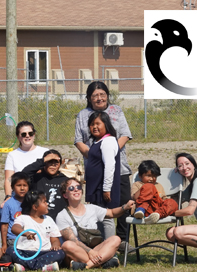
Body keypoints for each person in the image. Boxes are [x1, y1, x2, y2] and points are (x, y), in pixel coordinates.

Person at [75, 81, 133, 245]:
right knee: (98, 207)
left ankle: (122, 241)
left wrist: (111, 151)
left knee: (122, 204)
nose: (99, 98)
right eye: (95, 95)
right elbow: (79, 140)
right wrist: (94, 155)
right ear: (89, 98)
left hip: (119, 168)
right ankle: (101, 241)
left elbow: (125, 135)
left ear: (107, 96)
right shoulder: (83, 115)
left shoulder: (116, 110)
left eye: (102, 94)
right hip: (95, 170)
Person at [57, 178, 134, 270]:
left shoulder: (91, 208)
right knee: (67, 245)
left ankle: (87, 266)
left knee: (116, 239)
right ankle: (104, 261)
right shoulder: (62, 215)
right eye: (71, 188)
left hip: (96, 249)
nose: (76, 189)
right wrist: (90, 252)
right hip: (79, 251)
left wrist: (125, 207)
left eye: (78, 187)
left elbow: (112, 213)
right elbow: (73, 240)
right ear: (65, 195)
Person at [85, 111, 121, 242]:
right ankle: (101, 247)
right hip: (95, 187)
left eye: (98, 124)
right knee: (97, 216)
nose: (94, 127)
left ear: (106, 124)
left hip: (102, 188)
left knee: (106, 218)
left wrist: (106, 188)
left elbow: (110, 166)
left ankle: (110, 248)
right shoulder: (97, 141)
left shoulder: (108, 141)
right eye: (91, 124)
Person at [9, 191, 64, 272]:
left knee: (60, 253)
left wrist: (55, 245)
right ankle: (43, 267)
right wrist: (26, 233)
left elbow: (55, 239)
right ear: (35, 207)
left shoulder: (49, 220)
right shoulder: (23, 218)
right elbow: (14, 228)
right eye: (44, 202)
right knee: (10, 250)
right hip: (25, 252)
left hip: (44, 253)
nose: (47, 204)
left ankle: (26, 266)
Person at [3, 121, 48, 207]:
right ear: (18, 137)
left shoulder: (44, 152)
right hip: (20, 195)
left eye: (30, 133)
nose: (27, 136)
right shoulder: (12, 155)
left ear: (34, 135)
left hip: (40, 194)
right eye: (23, 134)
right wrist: (8, 197)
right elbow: (8, 179)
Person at [20, 149, 69, 219]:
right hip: (38, 220)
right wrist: (42, 161)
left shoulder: (65, 180)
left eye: (56, 162)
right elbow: (23, 174)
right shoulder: (36, 178)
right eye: (49, 161)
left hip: (59, 220)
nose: (53, 165)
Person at [131, 160, 178, 224]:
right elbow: (135, 198)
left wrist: (167, 203)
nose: (151, 179)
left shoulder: (158, 185)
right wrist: (145, 188)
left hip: (158, 209)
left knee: (172, 202)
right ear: (140, 175)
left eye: (154, 176)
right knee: (149, 186)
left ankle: (157, 214)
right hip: (144, 209)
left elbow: (164, 198)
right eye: (148, 176)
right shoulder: (137, 184)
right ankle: (141, 209)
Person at [0, 172, 30, 257]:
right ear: (12, 187)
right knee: (16, 254)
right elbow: (4, 225)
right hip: (13, 238)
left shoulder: (31, 202)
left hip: (28, 237)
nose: (22, 188)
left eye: (25, 185)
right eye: (19, 185)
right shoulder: (8, 204)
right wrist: (4, 244)